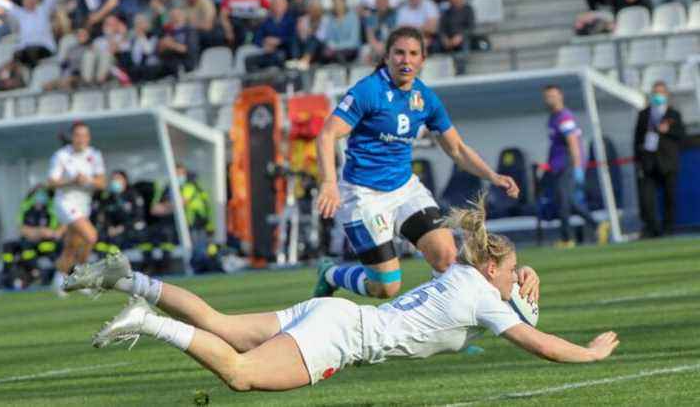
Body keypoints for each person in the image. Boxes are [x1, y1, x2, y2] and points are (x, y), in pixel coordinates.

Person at [63, 193, 619, 391]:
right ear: (494, 268)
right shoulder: (480, 296)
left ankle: (122, 276)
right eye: (513, 267)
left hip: (333, 312)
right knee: (239, 374)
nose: (516, 274)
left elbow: (506, 290)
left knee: (223, 323)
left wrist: (526, 275)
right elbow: (540, 342)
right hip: (341, 337)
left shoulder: (460, 276)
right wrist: (589, 353)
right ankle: (145, 318)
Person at [312, 26, 520, 301]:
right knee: (386, 287)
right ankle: (330, 274)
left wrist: (493, 176)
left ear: (423, 60)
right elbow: (327, 134)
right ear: (386, 56)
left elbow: (456, 148)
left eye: (413, 54)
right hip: (364, 195)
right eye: (399, 53)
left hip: (405, 189)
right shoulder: (368, 91)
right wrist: (329, 184)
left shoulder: (425, 98)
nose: (405, 60)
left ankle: (445, 327)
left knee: (448, 259)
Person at [542, 85, 606, 248]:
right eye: (547, 96)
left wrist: (577, 166)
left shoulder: (564, 117)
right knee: (567, 201)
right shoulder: (553, 117)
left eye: (553, 95)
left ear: (560, 96)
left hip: (567, 164)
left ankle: (567, 239)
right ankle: (597, 225)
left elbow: (573, 142)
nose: (550, 99)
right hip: (557, 166)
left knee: (564, 202)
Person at [48, 122, 106, 296]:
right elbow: (51, 182)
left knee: (72, 245)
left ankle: (59, 278)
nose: (81, 139)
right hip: (65, 202)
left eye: (85, 135)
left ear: (88, 138)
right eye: (78, 135)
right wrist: (71, 181)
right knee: (91, 236)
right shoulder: (61, 155)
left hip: (83, 204)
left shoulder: (94, 155)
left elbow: (102, 183)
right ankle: (81, 276)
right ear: (72, 137)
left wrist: (87, 180)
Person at [633, 81, 685, 238]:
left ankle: (669, 228)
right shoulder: (644, 115)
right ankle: (652, 229)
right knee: (647, 199)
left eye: (661, 93)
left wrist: (668, 130)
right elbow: (637, 139)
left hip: (668, 162)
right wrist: (639, 160)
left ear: (666, 95)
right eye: (655, 93)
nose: (658, 96)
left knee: (670, 197)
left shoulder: (673, 114)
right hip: (649, 162)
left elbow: (681, 135)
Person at [1, 185, 64, 289]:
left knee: (46, 247)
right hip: (30, 242)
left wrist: (46, 233)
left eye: (42, 194)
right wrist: (38, 232)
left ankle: (52, 275)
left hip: (46, 243)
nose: (40, 197)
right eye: (37, 194)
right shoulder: (27, 208)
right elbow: (23, 229)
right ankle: (8, 276)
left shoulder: (51, 208)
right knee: (17, 246)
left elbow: (55, 231)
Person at [92, 170, 147, 257]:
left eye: (118, 179)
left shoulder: (133, 195)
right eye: (113, 179)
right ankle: (103, 265)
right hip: (112, 230)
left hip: (130, 229)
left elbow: (138, 217)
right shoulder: (108, 197)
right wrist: (109, 227)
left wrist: (121, 228)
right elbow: (105, 216)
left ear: (125, 180)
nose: (115, 181)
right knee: (100, 240)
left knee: (116, 241)